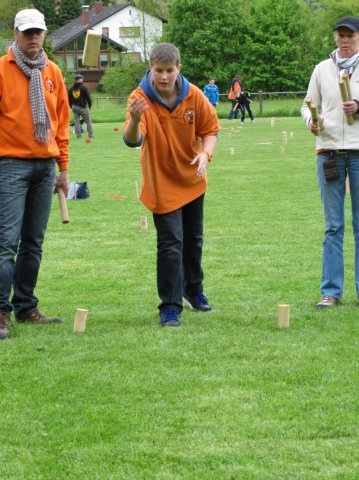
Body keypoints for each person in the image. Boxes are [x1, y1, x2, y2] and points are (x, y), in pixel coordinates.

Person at [123, 43, 220, 327]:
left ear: (178, 68)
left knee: (193, 239)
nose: (163, 76)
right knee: (170, 244)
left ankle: (194, 290)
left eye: (169, 70)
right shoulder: (139, 98)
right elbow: (132, 140)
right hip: (161, 183)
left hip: (192, 179)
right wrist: (136, 119)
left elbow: (210, 130)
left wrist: (205, 153)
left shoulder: (194, 96)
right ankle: (169, 306)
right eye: (158, 70)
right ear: (150, 68)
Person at [0, 8, 70, 339]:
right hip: (10, 165)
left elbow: (61, 125)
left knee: (34, 242)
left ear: (44, 34)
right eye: (27, 32)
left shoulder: (53, 72)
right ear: (15, 33)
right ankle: (1, 311)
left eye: (38, 32)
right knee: (5, 242)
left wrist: (64, 168)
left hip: (46, 166)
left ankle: (25, 307)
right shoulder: (1, 70)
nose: (33, 38)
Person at [301, 15, 359, 308]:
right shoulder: (322, 69)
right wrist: (312, 119)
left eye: (350, 35)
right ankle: (331, 292)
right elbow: (307, 104)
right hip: (329, 153)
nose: (345, 40)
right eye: (341, 35)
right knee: (333, 225)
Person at [68, 74, 93, 139]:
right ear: (79, 80)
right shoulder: (83, 87)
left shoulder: (71, 89)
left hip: (74, 107)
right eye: (82, 79)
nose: (82, 80)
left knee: (76, 121)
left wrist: (71, 106)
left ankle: (79, 136)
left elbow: (69, 99)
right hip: (82, 107)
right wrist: (90, 105)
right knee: (88, 121)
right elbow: (88, 97)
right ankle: (90, 135)